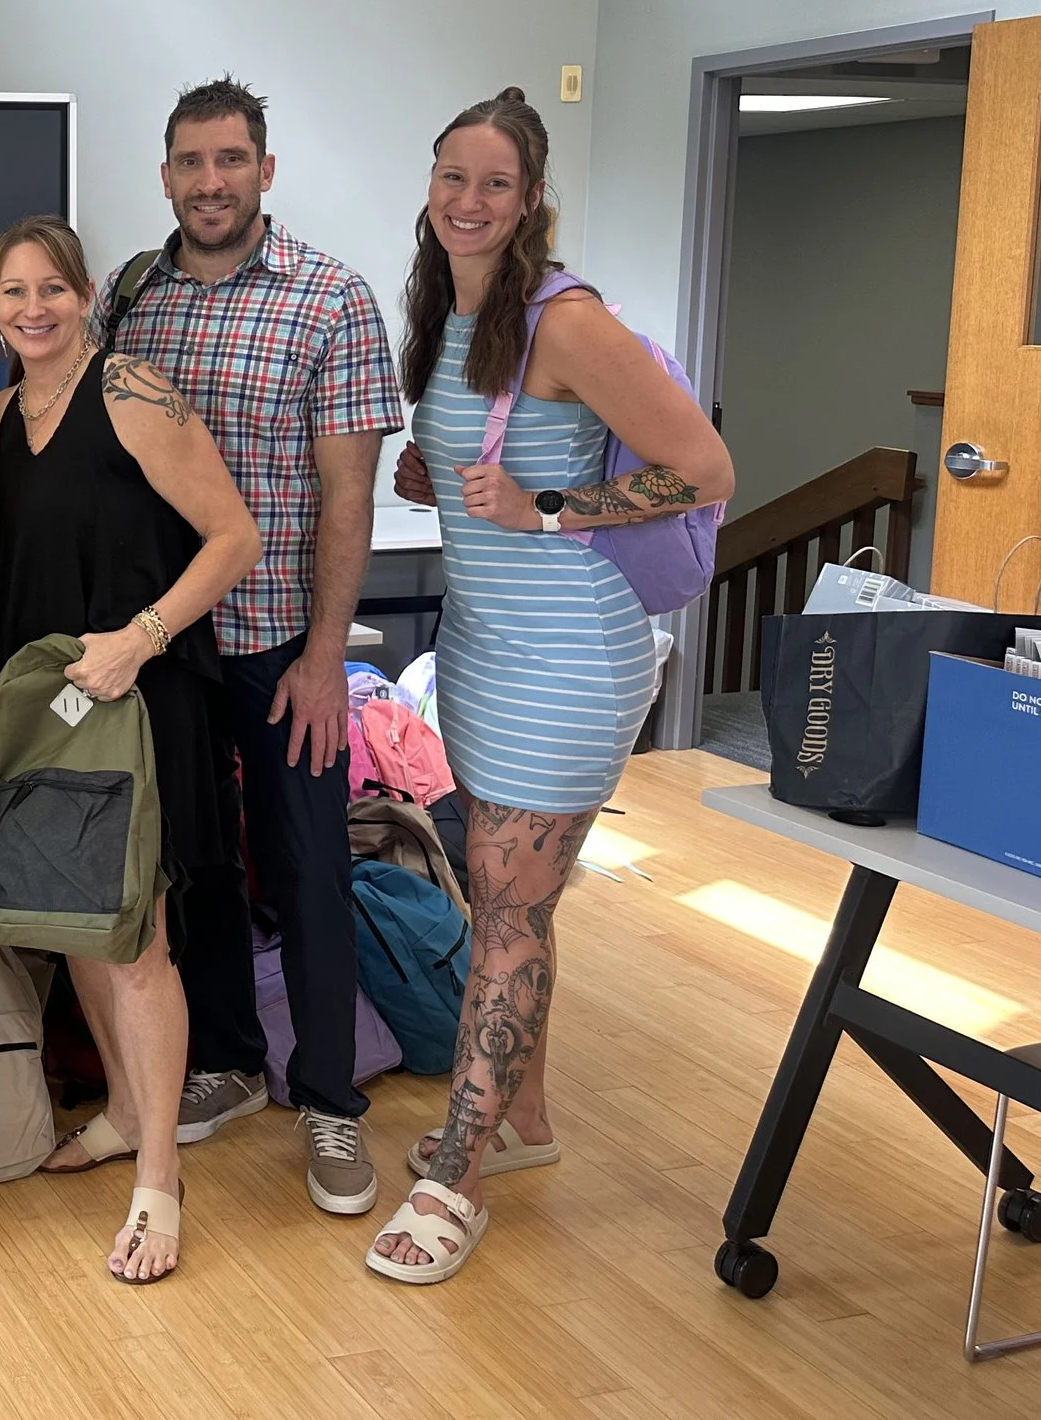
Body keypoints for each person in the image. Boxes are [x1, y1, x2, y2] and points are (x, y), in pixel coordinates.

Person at [371, 88, 732, 1284]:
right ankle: (520, 1122)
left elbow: (703, 468)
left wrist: (548, 506)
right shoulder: (452, 307)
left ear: (531, 201)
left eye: (494, 184)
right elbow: (482, 457)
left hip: (571, 657)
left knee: (509, 912)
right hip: (481, 648)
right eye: (452, 177)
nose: (467, 201)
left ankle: (456, 1177)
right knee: (509, 906)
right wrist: (436, 477)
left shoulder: (564, 322)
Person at [93, 78, 404, 1217]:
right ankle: (224, 1056)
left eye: (231, 160)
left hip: (279, 644)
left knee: (309, 867)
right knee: (195, 863)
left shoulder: (331, 299)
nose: (210, 181)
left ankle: (327, 1096)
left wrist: (326, 657)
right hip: (167, 641)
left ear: (265, 171)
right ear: (166, 174)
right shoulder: (131, 294)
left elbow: (348, 498)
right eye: (191, 161)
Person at [0, 217, 261, 1285]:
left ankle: (160, 1178)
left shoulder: (133, 391)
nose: (34, 308)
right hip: (44, 707)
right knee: (73, 921)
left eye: (51, 287)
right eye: (14, 291)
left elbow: (233, 537)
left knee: (135, 939)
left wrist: (141, 637)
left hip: (136, 699)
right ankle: (124, 1111)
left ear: (86, 292)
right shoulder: (1, 414)